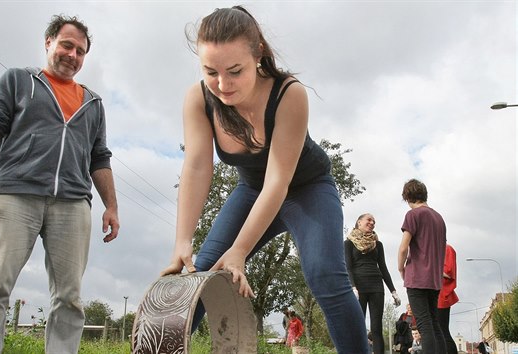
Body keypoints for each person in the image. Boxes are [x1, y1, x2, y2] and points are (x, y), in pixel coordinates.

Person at [159, 5, 368, 352]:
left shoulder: (290, 94)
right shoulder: (199, 98)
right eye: (211, 71)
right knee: (203, 273)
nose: (223, 85)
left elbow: (278, 183)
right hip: (251, 190)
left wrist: (239, 250)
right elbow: (197, 167)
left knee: (324, 275)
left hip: (306, 188)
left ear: (258, 54)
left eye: (235, 71)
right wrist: (183, 242)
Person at [0, 15, 119, 354]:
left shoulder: (93, 102)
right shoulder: (18, 81)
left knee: (69, 296)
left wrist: (111, 205)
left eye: (81, 51)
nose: (72, 55)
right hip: (15, 193)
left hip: (72, 202)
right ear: (49, 43)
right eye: (67, 45)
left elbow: (99, 157)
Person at [398, 178, 447, 353]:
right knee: (434, 323)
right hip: (434, 279)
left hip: (417, 277)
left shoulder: (413, 215)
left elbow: (404, 247)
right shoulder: (439, 218)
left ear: (407, 197)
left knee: (424, 325)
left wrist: (401, 267)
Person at [345, 213, 400, 354]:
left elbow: (383, 267)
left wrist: (393, 291)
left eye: (374, 221)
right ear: (359, 222)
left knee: (376, 328)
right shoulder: (349, 243)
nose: (372, 223)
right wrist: (353, 287)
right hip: (358, 288)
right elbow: (348, 267)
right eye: (369, 220)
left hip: (376, 286)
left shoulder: (377, 244)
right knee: (358, 325)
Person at [437, 244, 459, 354]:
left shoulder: (447, 249)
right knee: (438, 332)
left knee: (442, 331)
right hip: (435, 294)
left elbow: (448, 273)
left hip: (442, 295)